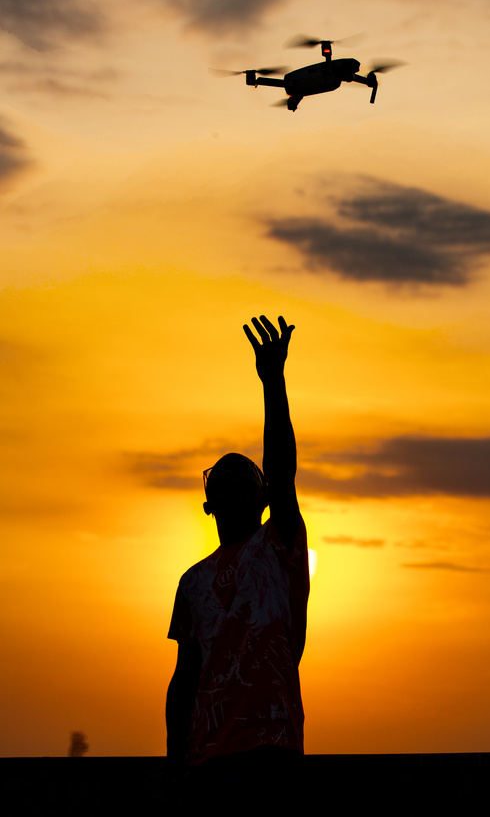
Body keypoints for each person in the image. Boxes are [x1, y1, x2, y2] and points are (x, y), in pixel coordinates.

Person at [165, 315, 308, 804]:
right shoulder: (192, 582)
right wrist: (175, 764)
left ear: (263, 498)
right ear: (208, 504)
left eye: (243, 477)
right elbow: (186, 676)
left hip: (272, 747)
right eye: (219, 480)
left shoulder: (278, 547)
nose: (229, 481)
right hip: (207, 760)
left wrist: (273, 382)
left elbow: (283, 468)